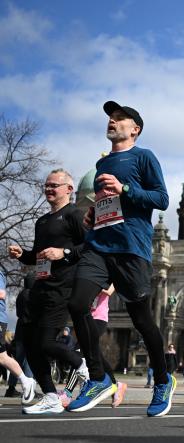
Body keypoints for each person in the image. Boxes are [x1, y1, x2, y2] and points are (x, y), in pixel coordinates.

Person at [66, 101, 175, 417]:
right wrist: (93, 214)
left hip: (131, 248)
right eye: (110, 118)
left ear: (134, 128)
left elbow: (162, 199)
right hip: (99, 245)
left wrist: (125, 187)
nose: (112, 122)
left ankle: (163, 380)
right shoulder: (102, 165)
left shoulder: (144, 157)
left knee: (142, 320)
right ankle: (99, 378)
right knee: (76, 304)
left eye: (119, 118)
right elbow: (108, 203)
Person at [8, 168, 90, 414]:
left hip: (63, 287)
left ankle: (80, 363)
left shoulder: (75, 214)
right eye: (46, 185)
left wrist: (63, 253)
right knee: (30, 345)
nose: (49, 189)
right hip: (42, 286)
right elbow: (38, 256)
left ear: (69, 189)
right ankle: (51, 396)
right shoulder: (41, 221)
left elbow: (90, 245)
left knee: (45, 343)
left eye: (54, 185)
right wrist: (23, 254)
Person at [59, 285, 127, 408]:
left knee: (79, 351)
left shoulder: (107, 274)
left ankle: (67, 393)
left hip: (99, 318)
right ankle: (116, 385)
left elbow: (109, 291)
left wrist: (88, 283)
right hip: (84, 316)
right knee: (96, 354)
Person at [0, 271, 37, 407]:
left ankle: (13, 387)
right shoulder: (33, 294)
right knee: (28, 358)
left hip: (20, 326)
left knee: (17, 358)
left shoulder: (21, 294)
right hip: (30, 327)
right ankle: (28, 381)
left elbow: (15, 311)